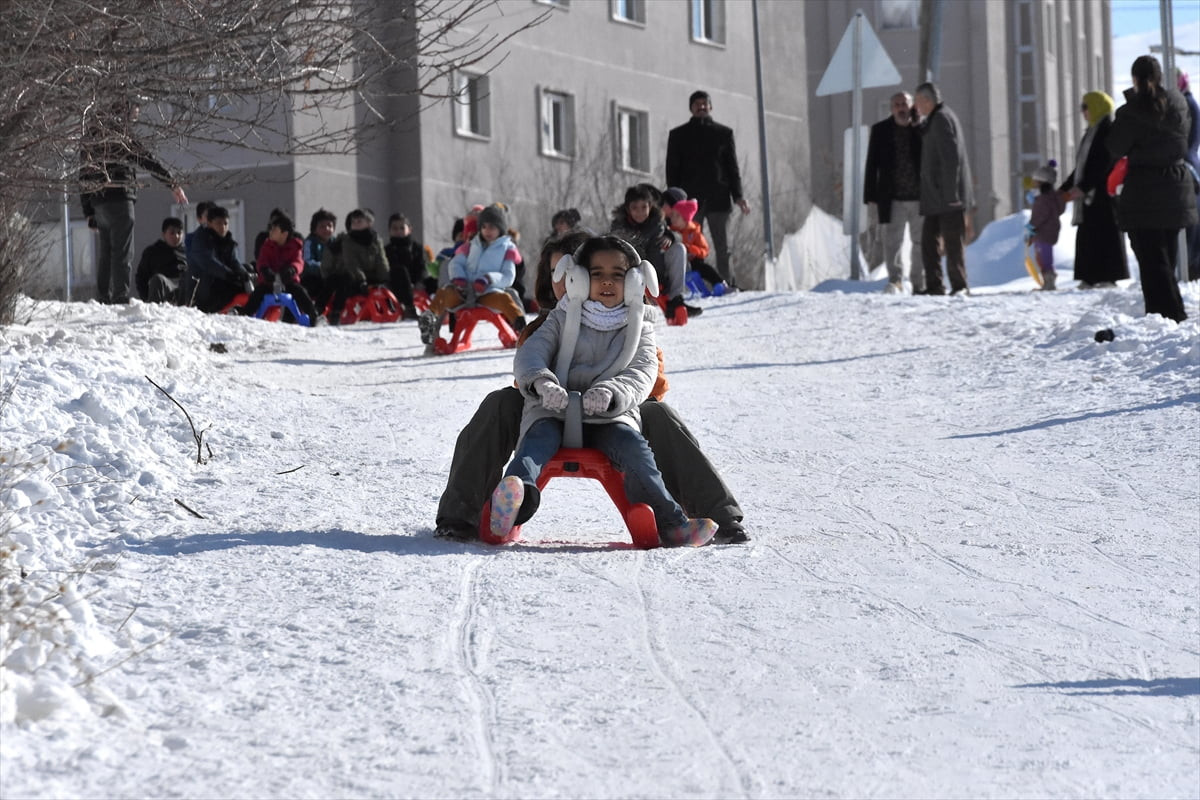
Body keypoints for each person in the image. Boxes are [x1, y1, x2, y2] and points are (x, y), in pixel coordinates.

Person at [434, 230, 749, 545]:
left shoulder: (637, 326)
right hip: (550, 412)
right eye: (558, 274)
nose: (564, 283)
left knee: (659, 415)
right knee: (500, 403)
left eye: (570, 274)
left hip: (615, 413)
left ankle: (714, 516)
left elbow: (648, 378)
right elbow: (527, 370)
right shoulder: (547, 325)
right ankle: (469, 512)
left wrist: (615, 395)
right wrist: (544, 384)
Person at [1106, 55, 1197, 323]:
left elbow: (1115, 146)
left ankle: (1169, 315)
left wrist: (1130, 101)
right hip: (1176, 187)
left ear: (1135, 79)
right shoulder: (1178, 103)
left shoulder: (1131, 111)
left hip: (1144, 191)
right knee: (1166, 258)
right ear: (1160, 77)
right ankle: (1166, 315)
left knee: (1152, 260)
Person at [79, 100, 188, 304]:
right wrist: (172, 183)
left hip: (98, 201)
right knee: (122, 251)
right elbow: (147, 160)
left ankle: (103, 297)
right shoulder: (122, 136)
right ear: (124, 112)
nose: (135, 118)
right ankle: (120, 296)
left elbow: (83, 176)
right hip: (120, 197)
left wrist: (88, 211)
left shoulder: (91, 138)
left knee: (106, 251)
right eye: (134, 114)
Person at [665, 90, 751, 288]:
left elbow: (732, 168)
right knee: (689, 246)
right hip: (689, 203)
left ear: (710, 107)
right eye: (697, 104)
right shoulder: (679, 135)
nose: (701, 107)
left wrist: (738, 196)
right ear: (691, 108)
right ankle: (696, 285)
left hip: (719, 199)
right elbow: (672, 169)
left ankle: (727, 284)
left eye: (705, 103)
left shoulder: (724, 134)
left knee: (723, 247)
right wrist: (673, 202)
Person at [418, 203, 527, 345]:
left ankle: (522, 329)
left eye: (492, 227)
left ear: (500, 228)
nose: (487, 231)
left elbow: (508, 276)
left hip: (488, 292)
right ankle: (429, 319)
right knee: (444, 293)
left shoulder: (507, 249)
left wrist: (488, 278)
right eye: (484, 227)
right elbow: (456, 263)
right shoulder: (471, 245)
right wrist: (459, 277)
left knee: (505, 299)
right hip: (463, 291)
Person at [1059, 91, 1129, 290]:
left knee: (1104, 234)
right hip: (1090, 196)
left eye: (1085, 107)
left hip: (1102, 195)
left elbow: (1102, 164)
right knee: (1089, 236)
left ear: (1097, 107)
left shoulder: (1107, 131)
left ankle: (1108, 276)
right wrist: (1065, 188)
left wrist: (1082, 188)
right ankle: (1089, 276)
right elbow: (1082, 167)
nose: (1083, 112)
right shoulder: (1091, 132)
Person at [913, 81, 974, 296]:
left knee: (952, 242)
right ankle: (934, 285)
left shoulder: (941, 118)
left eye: (917, 101)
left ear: (927, 100)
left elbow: (951, 158)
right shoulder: (937, 118)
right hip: (937, 197)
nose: (915, 106)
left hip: (947, 197)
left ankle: (959, 286)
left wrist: (951, 195)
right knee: (929, 241)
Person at [864, 92, 925, 295]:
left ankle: (918, 282)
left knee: (920, 242)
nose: (901, 108)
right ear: (891, 109)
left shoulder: (922, 129)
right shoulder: (881, 130)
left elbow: (932, 158)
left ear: (912, 106)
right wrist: (870, 195)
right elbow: (872, 164)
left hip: (919, 197)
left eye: (904, 104)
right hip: (892, 198)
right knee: (892, 243)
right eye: (897, 105)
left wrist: (918, 127)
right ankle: (895, 280)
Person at [609, 184, 699, 318]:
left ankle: (675, 300)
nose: (640, 212)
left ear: (650, 207)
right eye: (635, 208)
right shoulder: (620, 226)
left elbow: (675, 234)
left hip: (658, 270)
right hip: (633, 273)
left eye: (643, 207)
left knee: (679, 249)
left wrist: (671, 236)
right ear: (628, 209)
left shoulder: (657, 221)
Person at [238, 212, 321, 325]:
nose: (270, 231)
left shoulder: (295, 246)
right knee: (257, 293)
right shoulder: (267, 245)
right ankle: (246, 313)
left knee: (300, 292)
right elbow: (262, 260)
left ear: (284, 233)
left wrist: (292, 269)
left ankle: (312, 315)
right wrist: (265, 270)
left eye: (274, 229)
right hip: (269, 282)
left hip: (288, 281)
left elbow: (298, 261)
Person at [321, 208, 390, 325]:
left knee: (397, 274)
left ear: (369, 223)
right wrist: (361, 280)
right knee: (344, 280)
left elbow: (381, 260)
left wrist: (385, 278)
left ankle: (401, 308)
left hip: (371, 275)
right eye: (353, 222)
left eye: (359, 221)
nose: (355, 224)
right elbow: (352, 263)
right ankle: (336, 312)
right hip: (355, 278)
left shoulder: (376, 239)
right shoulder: (347, 241)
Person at [183, 205, 253, 313]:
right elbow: (208, 262)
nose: (223, 227)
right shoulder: (201, 239)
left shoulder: (228, 241)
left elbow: (234, 261)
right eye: (219, 223)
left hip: (221, 282)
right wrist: (228, 274)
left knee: (244, 281)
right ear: (209, 223)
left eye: (225, 223)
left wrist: (243, 274)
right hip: (203, 288)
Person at [661, 188, 728, 294]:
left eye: (677, 216)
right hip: (678, 263)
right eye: (673, 215)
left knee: (704, 268)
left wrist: (691, 249)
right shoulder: (670, 231)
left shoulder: (694, 232)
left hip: (694, 261)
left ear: (685, 218)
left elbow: (704, 250)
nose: (673, 218)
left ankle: (719, 284)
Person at [1024, 161, 1066, 291]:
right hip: (1050, 231)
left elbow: (1039, 216)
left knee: (1044, 258)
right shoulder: (1053, 197)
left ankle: (1049, 282)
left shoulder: (1043, 200)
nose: (1033, 185)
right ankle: (1047, 281)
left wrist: (1031, 227)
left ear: (1042, 183)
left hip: (1043, 232)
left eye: (1035, 183)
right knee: (1044, 257)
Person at [385, 212, 431, 319]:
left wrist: (420, 281)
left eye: (402, 228)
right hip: (396, 283)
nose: (398, 231)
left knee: (434, 281)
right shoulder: (387, 250)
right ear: (389, 231)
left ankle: (442, 310)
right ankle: (410, 308)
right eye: (395, 228)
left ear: (409, 229)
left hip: (415, 281)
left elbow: (422, 266)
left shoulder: (417, 248)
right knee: (400, 271)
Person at [1178, 70, 1200, 280]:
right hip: (1188, 164)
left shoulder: (1187, 104)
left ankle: (1191, 264)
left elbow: (1190, 140)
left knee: (1191, 219)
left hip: (1187, 166)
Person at [134, 217, 187, 304]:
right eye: (172, 233)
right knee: (157, 279)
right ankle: (155, 309)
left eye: (179, 233)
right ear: (164, 234)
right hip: (164, 287)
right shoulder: (153, 251)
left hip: (183, 288)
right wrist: (146, 298)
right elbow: (141, 277)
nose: (176, 236)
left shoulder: (188, 252)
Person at [302, 208, 337, 307]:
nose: (326, 229)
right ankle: (317, 310)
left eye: (329, 226)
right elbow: (307, 262)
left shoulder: (336, 243)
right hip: (313, 277)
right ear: (314, 229)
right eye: (322, 226)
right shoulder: (310, 242)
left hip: (331, 276)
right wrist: (325, 268)